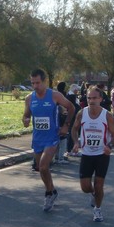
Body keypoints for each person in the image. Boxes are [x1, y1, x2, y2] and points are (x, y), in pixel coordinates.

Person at [22, 69, 75, 212]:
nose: (35, 86)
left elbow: (71, 107)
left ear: (44, 81)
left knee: (44, 166)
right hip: (37, 138)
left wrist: (66, 126)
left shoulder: (54, 95)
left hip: (52, 137)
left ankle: (48, 193)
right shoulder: (29, 98)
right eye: (32, 83)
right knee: (40, 168)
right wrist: (26, 120)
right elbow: (26, 115)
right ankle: (51, 191)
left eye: (38, 83)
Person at [71, 86, 114, 222]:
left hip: (102, 154)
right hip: (86, 154)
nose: (91, 101)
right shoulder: (82, 113)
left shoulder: (107, 116)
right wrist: (75, 142)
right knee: (85, 187)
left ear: (100, 99)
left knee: (99, 185)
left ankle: (97, 209)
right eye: (89, 98)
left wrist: (109, 146)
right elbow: (74, 130)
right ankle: (93, 194)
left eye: (94, 98)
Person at [54, 82, 69, 164]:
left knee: (56, 141)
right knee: (63, 140)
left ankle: (56, 156)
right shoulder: (62, 96)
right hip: (61, 121)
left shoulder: (54, 95)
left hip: (55, 122)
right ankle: (61, 158)